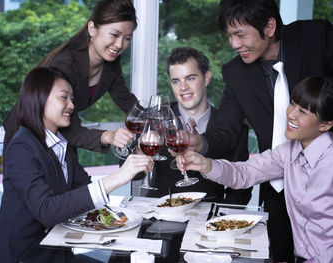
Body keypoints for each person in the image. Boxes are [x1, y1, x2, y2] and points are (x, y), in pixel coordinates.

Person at [187, 0, 333, 261]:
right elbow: (228, 132)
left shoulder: (318, 37)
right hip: (277, 183)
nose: (233, 44)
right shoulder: (235, 72)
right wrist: (200, 144)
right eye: (229, 36)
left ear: (269, 26)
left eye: (240, 35)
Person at [0, 67, 153, 263]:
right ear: (38, 98)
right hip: (22, 256)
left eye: (72, 99)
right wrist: (117, 178)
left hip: (56, 253)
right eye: (64, 97)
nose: (71, 105)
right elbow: (46, 210)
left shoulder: (61, 145)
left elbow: (83, 192)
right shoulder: (22, 147)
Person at [178, 75, 333, 263]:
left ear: (325, 124)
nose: (291, 114)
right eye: (293, 104)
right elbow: (245, 173)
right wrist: (206, 164)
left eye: (303, 112)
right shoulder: (289, 151)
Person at [3, 0, 138, 155]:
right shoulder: (65, 64)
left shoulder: (111, 64)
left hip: (59, 139)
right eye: (114, 34)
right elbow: (70, 128)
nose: (120, 44)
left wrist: (157, 120)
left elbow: (127, 101)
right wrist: (109, 136)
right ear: (92, 29)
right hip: (29, 140)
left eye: (127, 38)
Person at [134, 47, 252, 205]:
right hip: (160, 214)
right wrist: (141, 149)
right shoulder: (156, 118)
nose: (183, 87)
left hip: (209, 218)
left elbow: (241, 189)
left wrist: (222, 219)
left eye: (190, 78)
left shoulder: (231, 125)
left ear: (206, 78)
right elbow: (135, 176)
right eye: (176, 81)